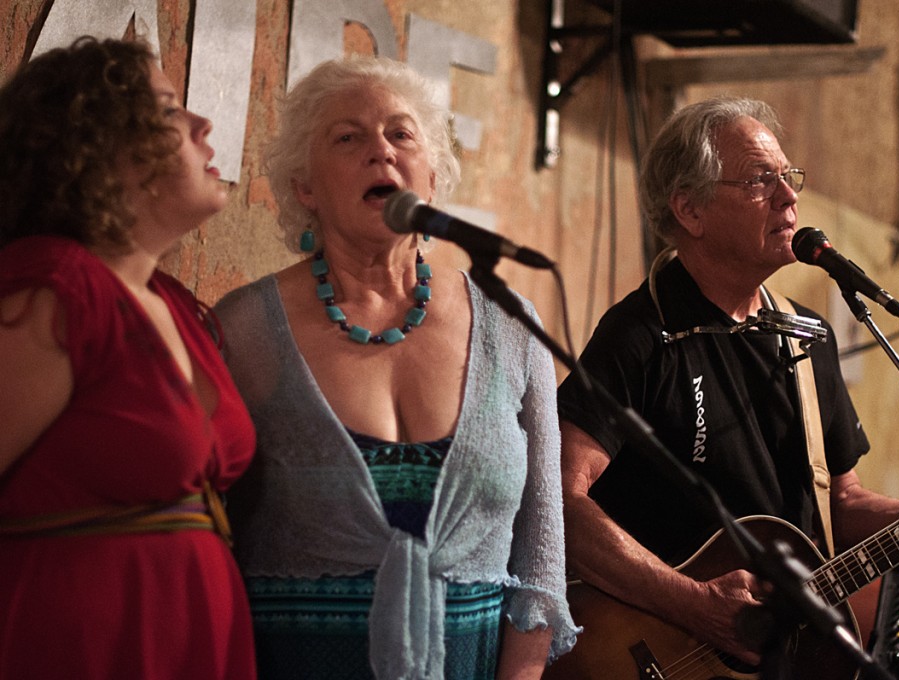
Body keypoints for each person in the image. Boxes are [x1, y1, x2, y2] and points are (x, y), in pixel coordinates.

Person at [556, 96, 899, 672]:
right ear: (690, 210)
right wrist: (694, 603)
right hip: (650, 653)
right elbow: (559, 498)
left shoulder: (807, 338)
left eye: (788, 176)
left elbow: (841, 505)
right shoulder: (642, 334)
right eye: (760, 179)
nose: (789, 196)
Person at [213, 54, 577, 680]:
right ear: (305, 187)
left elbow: (541, 560)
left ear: (432, 178)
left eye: (401, 134)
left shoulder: (512, 324)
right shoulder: (244, 327)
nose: (380, 152)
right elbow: (208, 538)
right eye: (347, 137)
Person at [0, 37, 256, 679]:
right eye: (169, 109)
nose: (203, 124)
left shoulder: (177, 305)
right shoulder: (52, 290)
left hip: (194, 639)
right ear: (92, 146)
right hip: (76, 647)